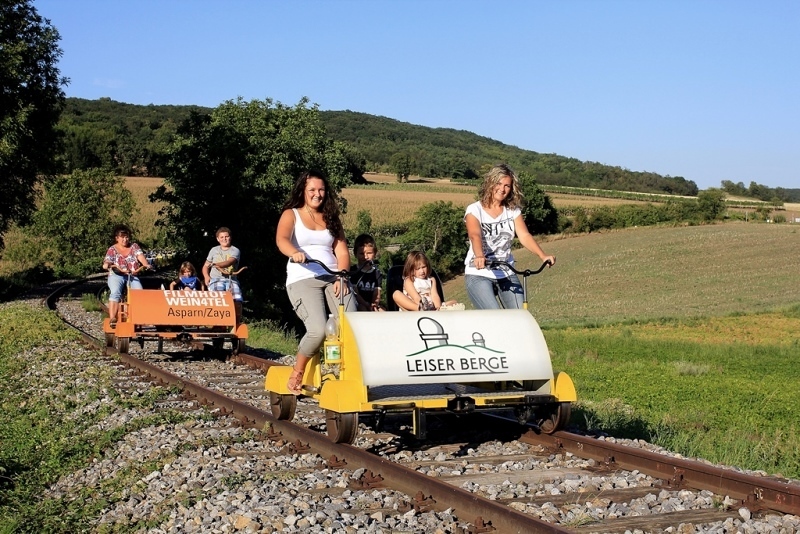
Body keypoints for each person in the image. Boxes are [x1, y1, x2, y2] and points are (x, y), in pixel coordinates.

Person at [276, 170, 356, 395]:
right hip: (303, 276)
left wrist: (342, 274)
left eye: (321, 190)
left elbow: (341, 250)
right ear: (303, 191)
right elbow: (281, 239)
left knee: (351, 324)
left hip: (333, 275)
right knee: (318, 329)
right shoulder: (291, 214)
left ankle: (348, 373)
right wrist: (294, 252)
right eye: (312, 189)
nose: (317, 194)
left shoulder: (331, 218)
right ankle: (298, 371)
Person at [464, 163, 556, 309]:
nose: (502, 189)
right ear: (490, 183)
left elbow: (524, 235)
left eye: (507, 185)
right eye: (499, 183)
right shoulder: (475, 210)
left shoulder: (512, 210)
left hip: (506, 272)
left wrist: (542, 255)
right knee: (494, 317)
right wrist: (479, 255)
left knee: (520, 316)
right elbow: (475, 235)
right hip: (479, 272)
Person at [102, 224, 153, 326]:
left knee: (139, 293)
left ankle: (138, 317)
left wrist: (146, 264)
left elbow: (140, 256)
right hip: (117, 275)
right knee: (115, 292)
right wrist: (107, 264)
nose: (125, 239)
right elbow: (107, 261)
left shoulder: (134, 246)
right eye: (122, 237)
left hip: (132, 275)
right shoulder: (112, 249)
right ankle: (112, 318)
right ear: (117, 238)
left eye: (127, 237)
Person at [202, 227, 243, 322]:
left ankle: (237, 322)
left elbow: (229, 262)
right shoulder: (214, 250)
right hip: (216, 279)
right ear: (218, 239)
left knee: (237, 299)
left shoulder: (235, 250)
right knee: (218, 299)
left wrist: (215, 264)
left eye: (226, 236)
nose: (224, 239)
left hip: (231, 279)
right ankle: (219, 324)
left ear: (230, 238)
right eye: (222, 237)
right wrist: (206, 277)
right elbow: (205, 266)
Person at [349, 234, 384, 311]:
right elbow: (356, 293)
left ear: (374, 253)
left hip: (371, 303)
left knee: (382, 311)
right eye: (361, 253)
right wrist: (366, 304)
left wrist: (375, 304)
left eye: (369, 253)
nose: (365, 257)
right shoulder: (353, 271)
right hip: (359, 303)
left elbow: (376, 293)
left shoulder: (377, 273)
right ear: (355, 254)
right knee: (363, 309)